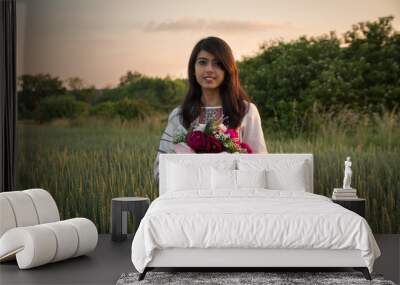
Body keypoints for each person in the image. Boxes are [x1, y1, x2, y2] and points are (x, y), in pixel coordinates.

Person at [154, 36, 268, 181]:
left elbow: (261, 164)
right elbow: (160, 169)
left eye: (218, 64)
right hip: (190, 197)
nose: (209, 69)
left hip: (235, 196)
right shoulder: (180, 115)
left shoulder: (246, 111)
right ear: (193, 68)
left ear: (228, 70)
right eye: (202, 62)